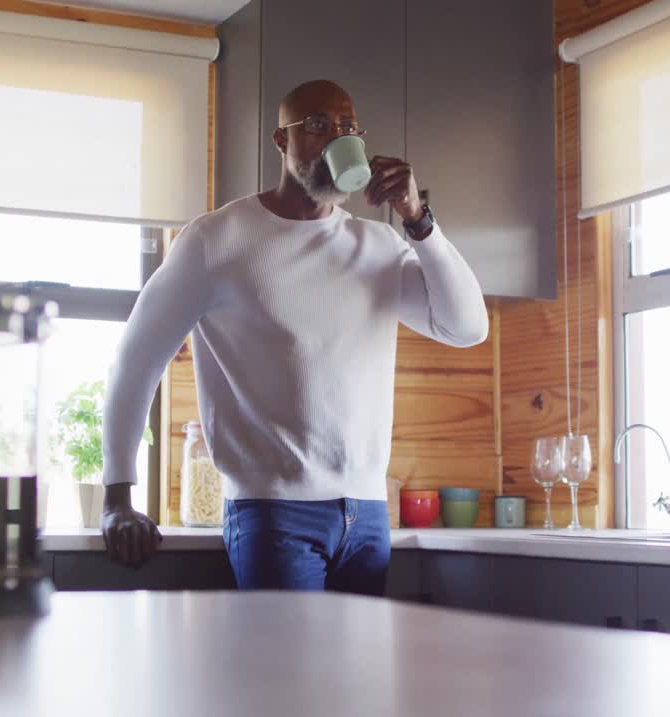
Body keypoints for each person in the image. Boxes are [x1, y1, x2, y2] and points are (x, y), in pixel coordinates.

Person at [99, 79, 488, 595]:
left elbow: (468, 327)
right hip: (272, 513)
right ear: (281, 141)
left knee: (357, 680)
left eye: (349, 128)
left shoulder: (377, 244)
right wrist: (117, 498)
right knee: (288, 676)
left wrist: (418, 219)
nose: (337, 139)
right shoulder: (217, 240)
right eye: (318, 125)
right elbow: (136, 361)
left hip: (368, 515)